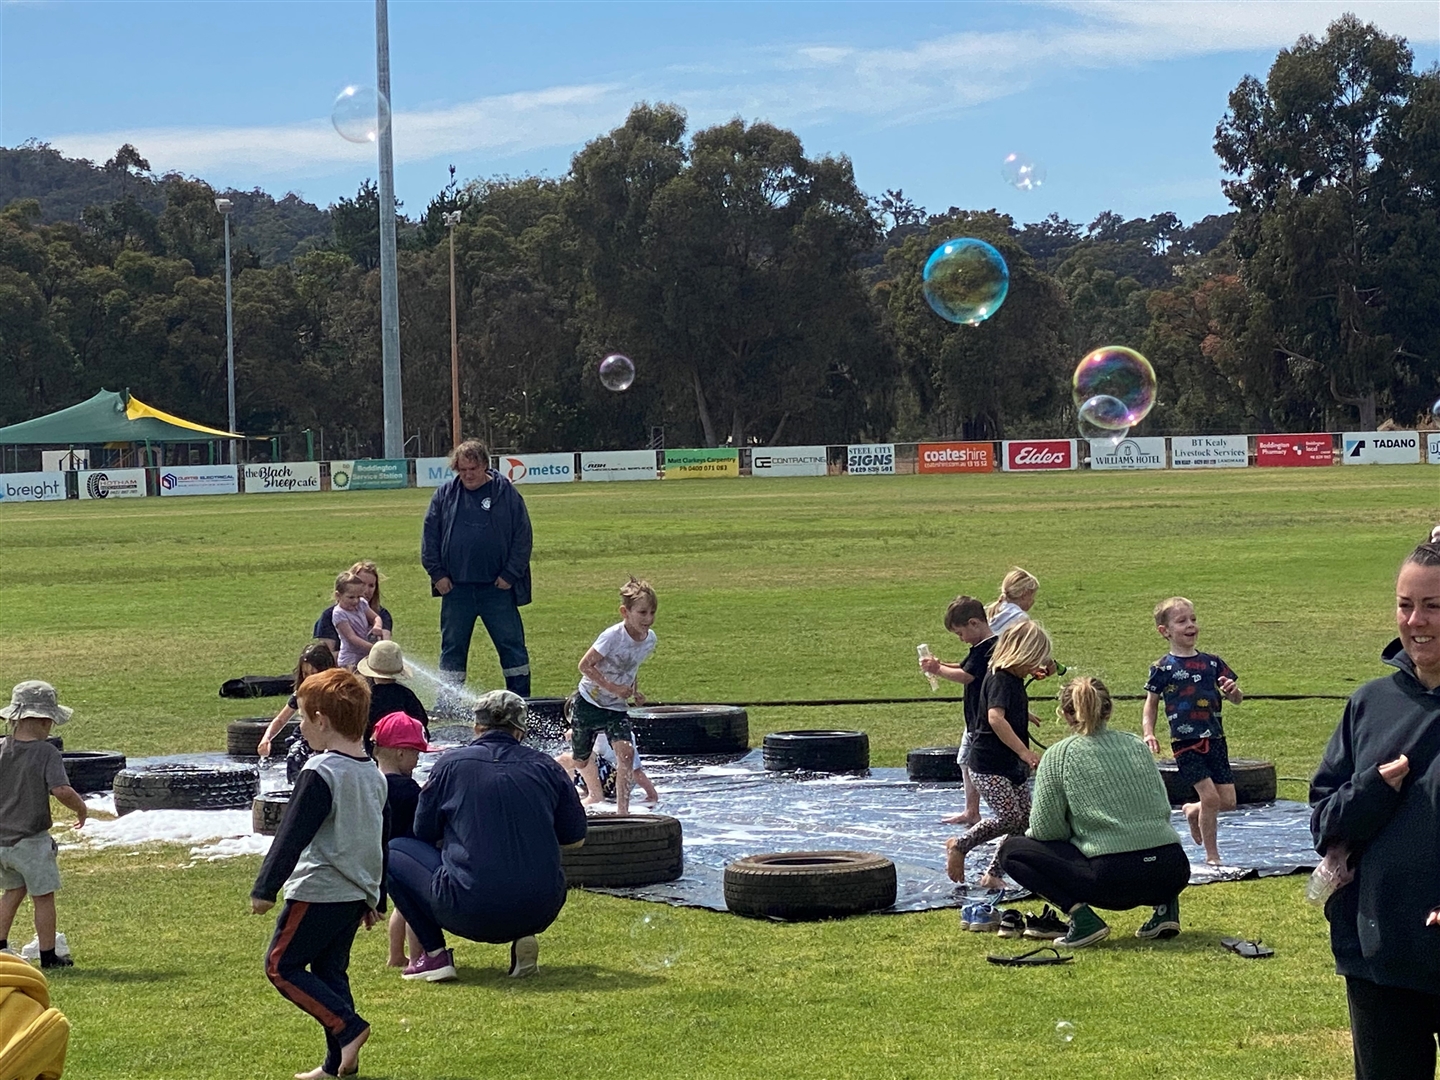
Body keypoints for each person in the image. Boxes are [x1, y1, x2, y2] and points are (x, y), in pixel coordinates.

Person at [1312, 541, 1440, 1080]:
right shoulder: (1370, 704)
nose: (1415, 621)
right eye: (1405, 605)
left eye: (1433, 606)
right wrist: (1371, 789)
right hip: (1381, 957)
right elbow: (1323, 821)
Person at [386, 690, 586, 983]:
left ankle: (434, 954)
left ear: (477, 727)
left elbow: (423, 832)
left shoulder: (450, 765)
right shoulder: (547, 767)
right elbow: (575, 838)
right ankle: (522, 932)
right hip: (542, 905)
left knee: (393, 851)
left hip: (470, 907)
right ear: (520, 731)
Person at [251, 668, 388, 1080]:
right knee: (329, 972)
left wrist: (265, 889)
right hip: (354, 894)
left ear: (321, 721)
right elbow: (380, 839)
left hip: (320, 890)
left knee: (281, 966)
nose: (301, 728)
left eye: (303, 719)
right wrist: (376, 897)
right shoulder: (373, 772)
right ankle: (338, 1064)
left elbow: (291, 834)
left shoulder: (320, 770)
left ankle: (349, 1028)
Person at [997, 676, 1191, 948]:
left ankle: (1082, 919)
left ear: (1066, 714)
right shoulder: (1137, 745)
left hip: (1112, 879)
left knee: (1012, 851)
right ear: (1109, 709)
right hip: (1174, 869)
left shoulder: (1058, 755)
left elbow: (1046, 830)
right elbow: (1161, 808)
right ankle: (1166, 909)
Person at [421, 439, 534, 700]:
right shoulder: (444, 495)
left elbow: (523, 537)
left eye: (473, 469)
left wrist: (510, 574)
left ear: (485, 465)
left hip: (497, 589)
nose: (468, 475)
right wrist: (437, 574)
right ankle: (448, 703)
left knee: (512, 646)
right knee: (452, 649)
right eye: (462, 470)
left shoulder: (507, 495)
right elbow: (429, 537)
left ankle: (520, 700)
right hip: (456, 590)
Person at [945, 620, 1050, 893]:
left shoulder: (1012, 678)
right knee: (1009, 818)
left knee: (1024, 822)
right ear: (1021, 653)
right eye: (1034, 660)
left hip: (1010, 766)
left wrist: (1023, 714)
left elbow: (999, 706)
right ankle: (960, 845)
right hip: (989, 765)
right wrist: (1024, 751)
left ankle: (992, 874)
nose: (1035, 666)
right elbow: (995, 718)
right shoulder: (1001, 677)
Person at [1142, 597, 1243, 865]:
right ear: (1165, 631)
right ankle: (1212, 855)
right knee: (1210, 797)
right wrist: (1149, 732)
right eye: (1182, 621)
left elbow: (1236, 698)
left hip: (1216, 739)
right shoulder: (1162, 668)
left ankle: (1191, 810)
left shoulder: (1213, 663)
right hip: (1185, 741)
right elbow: (1151, 704)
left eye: (1193, 619)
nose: (1190, 625)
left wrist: (1233, 692)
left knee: (1227, 801)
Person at [0, 681, 86, 968]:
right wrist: (81, 808)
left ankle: (0, 946)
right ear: (46, 721)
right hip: (32, 841)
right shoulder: (46, 753)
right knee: (43, 896)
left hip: (2, 841)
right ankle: (48, 954)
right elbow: (61, 790)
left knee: (12, 892)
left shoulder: (1, 749)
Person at [573, 578, 658, 816]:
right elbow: (584, 666)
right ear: (625, 612)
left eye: (652, 613)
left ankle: (623, 812)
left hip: (616, 708)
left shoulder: (650, 639)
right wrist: (612, 687)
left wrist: (634, 690)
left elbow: (632, 666)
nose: (648, 619)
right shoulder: (612, 637)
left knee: (626, 753)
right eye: (642, 612)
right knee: (581, 761)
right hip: (589, 702)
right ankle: (568, 766)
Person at [919, 596, 996, 828]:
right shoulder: (979, 648)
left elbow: (966, 676)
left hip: (983, 719)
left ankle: (985, 811)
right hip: (974, 718)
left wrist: (937, 669)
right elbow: (964, 666)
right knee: (965, 761)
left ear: (974, 623)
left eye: (960, 633)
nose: (961, 639)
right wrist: (940, 664)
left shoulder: (987, 648)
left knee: (977, 764)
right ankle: (971, 810)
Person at [371, 712, 430, 970]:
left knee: (402, 907)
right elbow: (420, 826)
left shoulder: (370, 785)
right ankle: (418, 957)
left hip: (379, 857)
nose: (417, 760)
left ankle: (395, 955)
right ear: (401, 753)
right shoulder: (409, 790)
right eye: (416, 753)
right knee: (415, 907)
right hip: (404, 858)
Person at [257, 644, 337, 760]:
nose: (309, 679)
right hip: (305, 739)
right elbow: (280, 720)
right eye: (305, 674)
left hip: (328, 740)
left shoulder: (335, 695)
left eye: (314, 673)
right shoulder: (301, 694)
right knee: (295, 755)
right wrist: (267, 738)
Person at [557, 729, 660, 806]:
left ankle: (595, 796)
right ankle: (569, 793)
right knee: (563, 760)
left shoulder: (621, 736)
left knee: (584, 755)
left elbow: (635, 770)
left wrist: (651, 794)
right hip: (603, 777)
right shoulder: (589, 732)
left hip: (615, 782)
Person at [357, 640, 429, 747]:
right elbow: (422, 720)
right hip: (406, 746)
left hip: (376, 747)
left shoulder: (367, 696)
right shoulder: (406, 694)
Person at [314, 561, 393, 657]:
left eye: (371, 585)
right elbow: (326, 656)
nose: (366, 590)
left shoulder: (382, 614)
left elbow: (385, 646)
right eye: (362, 584)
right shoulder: (330, 615)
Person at [331, 572, 383, 671]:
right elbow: (352, 638)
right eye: (351, 597)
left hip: (366, 654)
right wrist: (374, 648)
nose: (355, 601)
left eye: (359, 596)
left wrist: (377, 626)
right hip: (350, 659)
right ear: (338, 595)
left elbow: (375, 617)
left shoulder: (361, 604)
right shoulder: (339, 613)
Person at [985, 567, 1039, 635]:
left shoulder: (996, 610)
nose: (1033, 601)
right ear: (1025, 595)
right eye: (1032, 596)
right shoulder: (1021, 618)